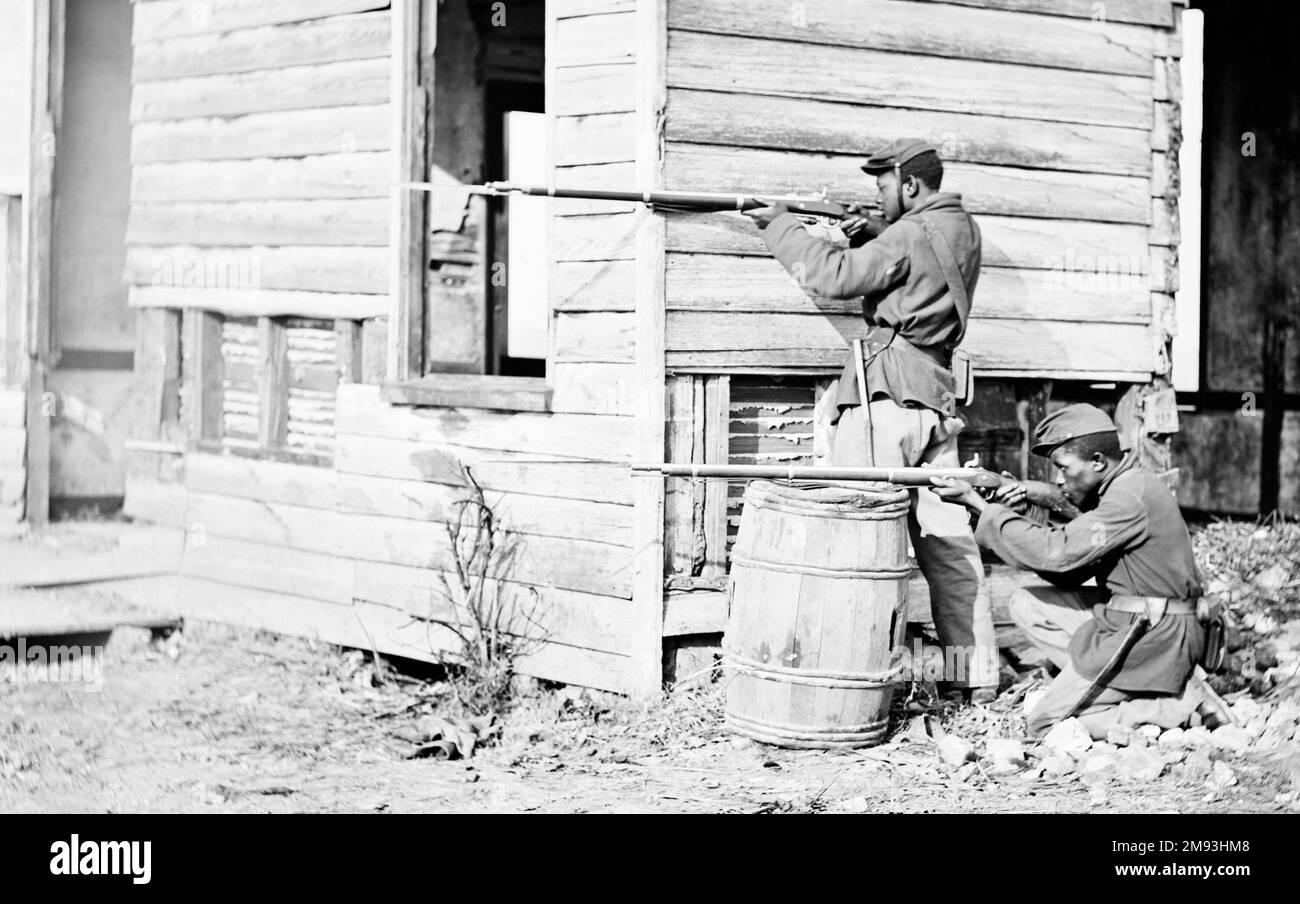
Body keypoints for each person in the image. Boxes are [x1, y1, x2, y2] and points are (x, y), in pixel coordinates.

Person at [744, 139, 999, 702]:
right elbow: (917, 274)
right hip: (935, 403)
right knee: (949, 546)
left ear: (910, 186)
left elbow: (831, 277)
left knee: (859, 542)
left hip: (885, 403)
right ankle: (974, 679)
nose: (878, 197)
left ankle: (850, 684)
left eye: (884, 187)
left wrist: (781, 226)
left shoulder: (907, 234)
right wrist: (875, 236)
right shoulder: (961, 228)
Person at [929, 403, 1207, 739]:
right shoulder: (1126, 486)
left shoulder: (1127, 498)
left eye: (1064, 468)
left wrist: (978, 505)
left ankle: (1173, 707)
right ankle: (1123, 684)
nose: (1059, 480)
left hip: (1155, 635)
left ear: (1098, 462)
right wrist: (1023, 506)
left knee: (1042, 722)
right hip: (1135, 621)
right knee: (1026, 603)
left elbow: (1056, 553)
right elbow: (1070, 570)